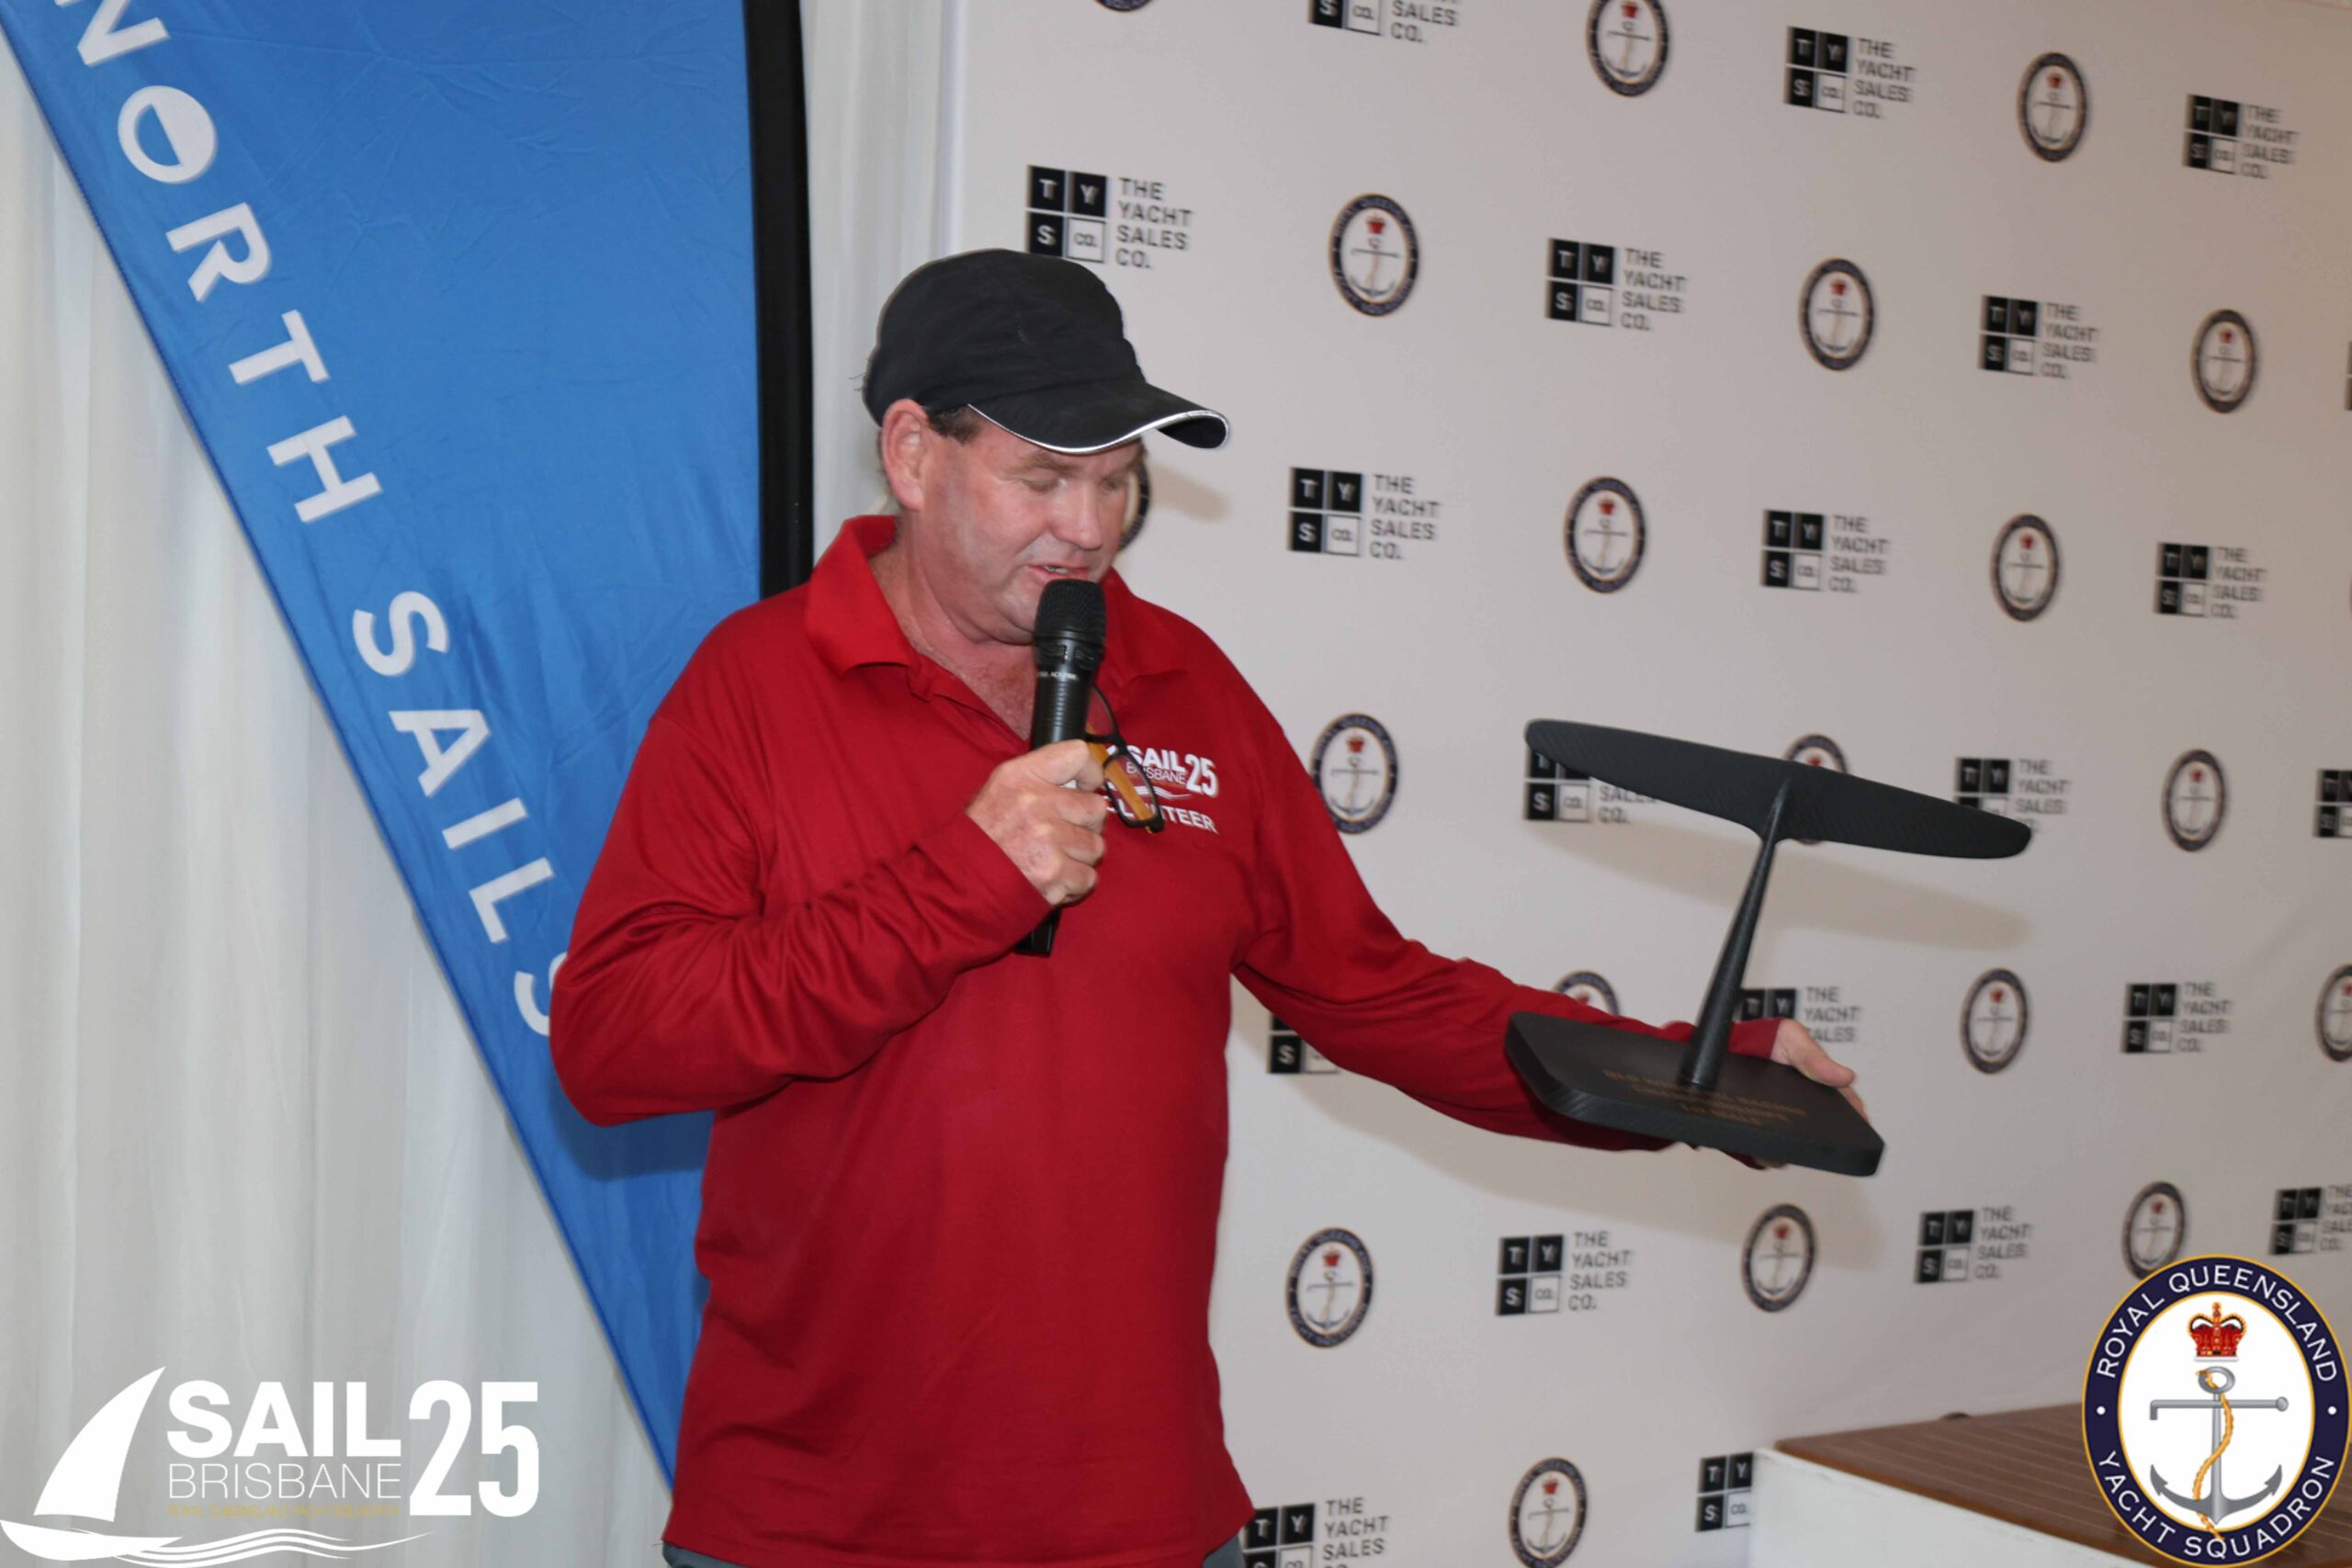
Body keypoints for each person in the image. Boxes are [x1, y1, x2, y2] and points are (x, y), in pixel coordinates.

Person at [548, 249, 1865, 1568]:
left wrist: (1697, 1080)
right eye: (1043, 479)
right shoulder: (756, 684)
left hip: (1140, 1514)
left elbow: (1380, 992)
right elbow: (616, 1042)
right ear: (911, 454)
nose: (1089, 528)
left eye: (1120, 480)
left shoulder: (1185, 684)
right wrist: (962, 879)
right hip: (816, 1526)